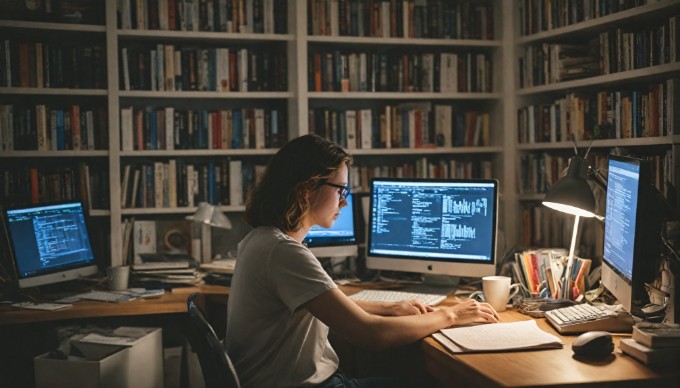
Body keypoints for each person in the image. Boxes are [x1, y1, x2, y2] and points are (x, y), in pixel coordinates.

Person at [225, 134, 499, 388]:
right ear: (307, 188)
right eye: (340, 191)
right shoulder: (284, 253)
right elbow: (372, 335)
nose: (344, 203)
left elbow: (325, 302)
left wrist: (388, 308)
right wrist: (450, 315)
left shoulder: (260, 240)